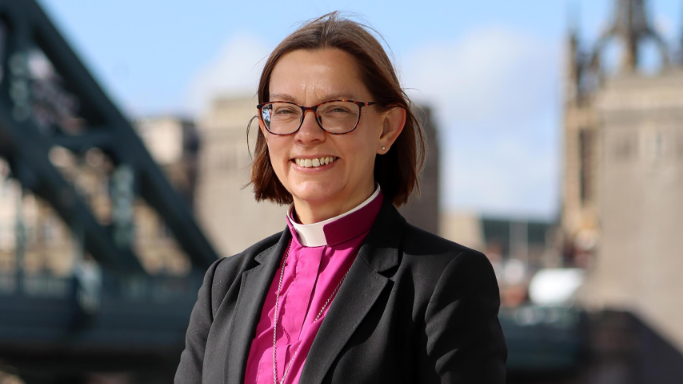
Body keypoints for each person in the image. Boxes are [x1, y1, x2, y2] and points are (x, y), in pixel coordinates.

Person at [175, 12, 507, 384]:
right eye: (285, 111)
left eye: (336, 110)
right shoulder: (223, 285)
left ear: (387, 128)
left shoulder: (444, 281)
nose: (307, 133)